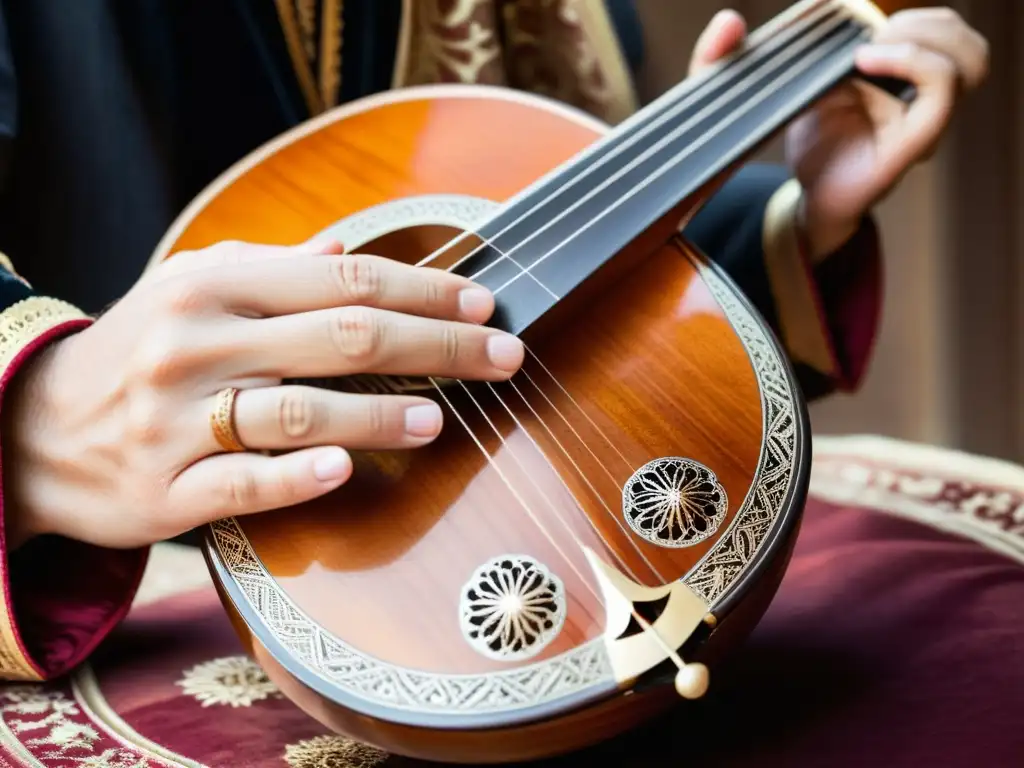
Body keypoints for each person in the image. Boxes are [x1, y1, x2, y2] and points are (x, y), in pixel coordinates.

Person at [0, 1, 998, 765]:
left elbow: (504, 282)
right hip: (131, 575)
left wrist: (776, 212)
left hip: (493, 530)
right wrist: (35, 417)